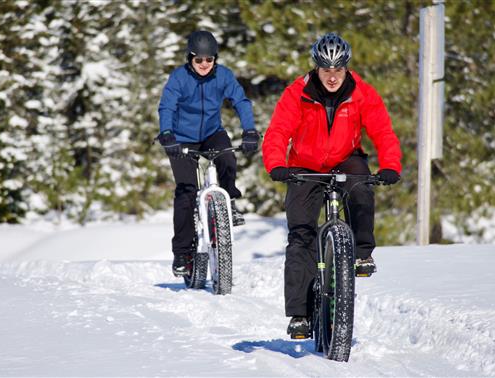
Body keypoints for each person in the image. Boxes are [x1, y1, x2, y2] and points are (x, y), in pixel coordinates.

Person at [262, 32, 402, 338]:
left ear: (347, 68)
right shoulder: (296, 93)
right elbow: (277, 131)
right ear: (316, 68)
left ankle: (361, 253)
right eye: (326, 69)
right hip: (304, 165)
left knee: (362, 188)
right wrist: (277, 164)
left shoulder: (361, 92)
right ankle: (300, 314)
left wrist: (390, 165)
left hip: (345, 158)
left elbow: (383, 131)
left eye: (338, 69)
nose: (332, 77)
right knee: (301, 235)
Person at [157, 30, 260, 277]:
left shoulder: (223, 75)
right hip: (181, 138)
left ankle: (229, 202)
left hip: (211, 133)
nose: (204, 64)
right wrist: (167, 133)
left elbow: (240, 101)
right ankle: (182, 254)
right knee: (186, 191)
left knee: (227, 157)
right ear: (190, 58)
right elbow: (167, 105)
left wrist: (250, 131)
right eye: (199, 60)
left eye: (209, 59)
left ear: (215, 58)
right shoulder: (179, 77)